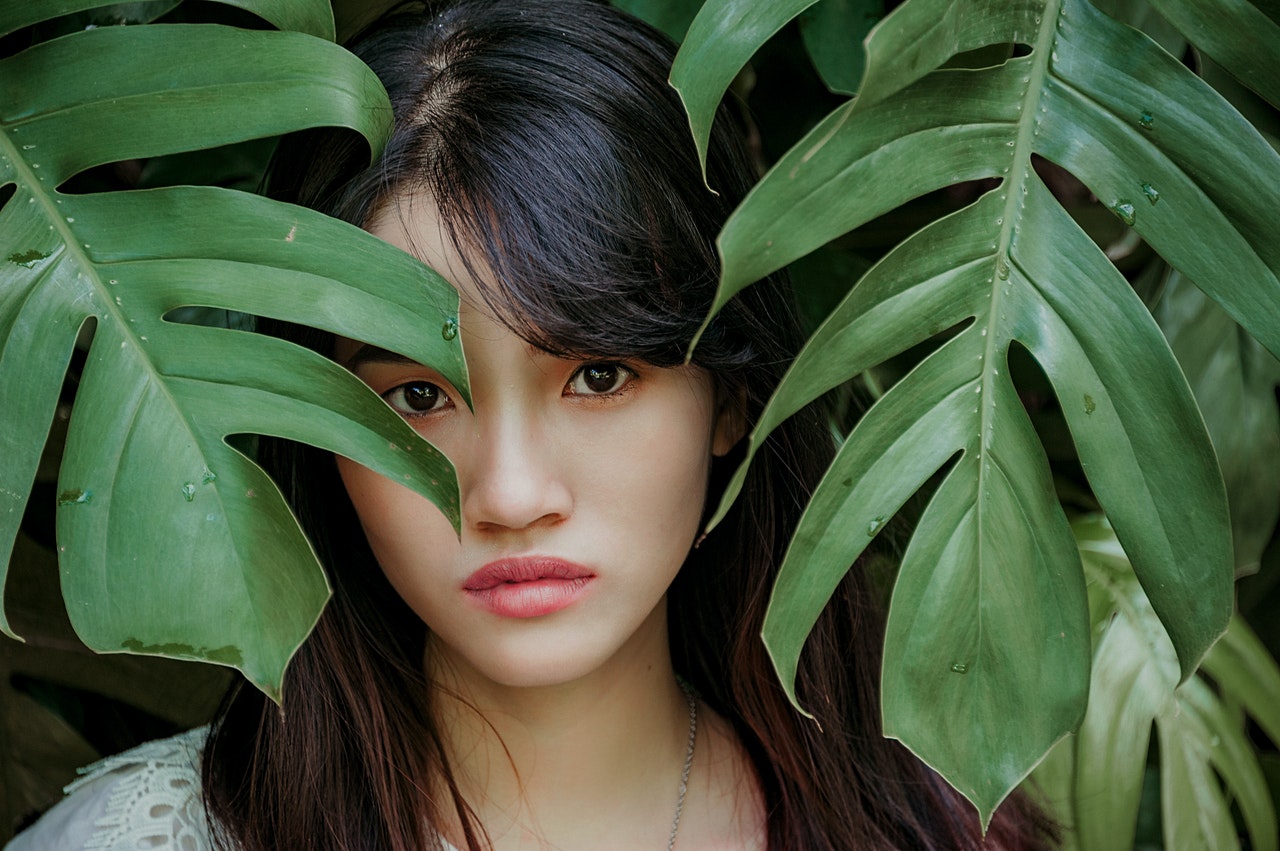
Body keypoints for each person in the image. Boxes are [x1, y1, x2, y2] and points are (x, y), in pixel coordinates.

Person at [8, 0, 1056, 848]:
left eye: (598, 374)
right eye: (416, 395)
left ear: (730, 398)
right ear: (319, 425)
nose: (509, 494)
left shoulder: (924, 831)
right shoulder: (147, 839)